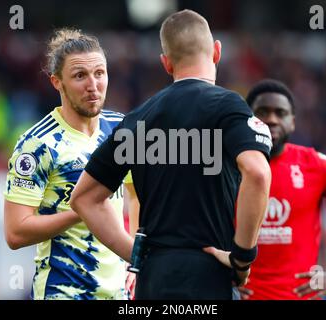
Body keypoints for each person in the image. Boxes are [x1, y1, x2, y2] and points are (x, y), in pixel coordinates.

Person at [70, 9, 272, 299]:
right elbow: (258, 172)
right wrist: (243, 256)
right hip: (210, 277)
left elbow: (84, 198)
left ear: (166, 64)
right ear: (216, 51)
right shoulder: (227, 106)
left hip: (154, 282)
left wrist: (136, 255)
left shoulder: (138, 119)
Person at [3, 28, 137, 300]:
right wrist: (84, 208)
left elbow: (136, 196)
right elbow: (15, 232)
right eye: (80, 76)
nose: (93, 84)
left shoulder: (121, 130)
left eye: (100, 73)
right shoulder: (37, 144)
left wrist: (134, 259)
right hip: (63, 291)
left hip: (118, 293)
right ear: (57, 82)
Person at [223, 79, 326, 300]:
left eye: (280, 113)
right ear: (249, 120)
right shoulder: (225, 165)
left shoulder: (315, 164)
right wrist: (218, 276)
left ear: (293, 122)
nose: (271, 119)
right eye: (262, 112)